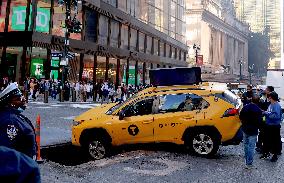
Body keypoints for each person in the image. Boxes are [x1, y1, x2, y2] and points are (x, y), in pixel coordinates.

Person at [0, 83, 37, 158]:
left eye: (22, 96)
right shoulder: (10, 120)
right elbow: (7, 151)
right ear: (9, 103)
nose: (23, 100)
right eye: (18, 99)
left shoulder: (16, 115)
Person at [239, 96, 263, 168]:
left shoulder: (245, 107)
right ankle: (249, 163)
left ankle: (247, 160)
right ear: (258, 101)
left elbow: (240, 117)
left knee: (246, 145)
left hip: (245, 128)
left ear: (251, 100)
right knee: (251, 147)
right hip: (253, 130)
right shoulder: (258, 110)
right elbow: (259, 121)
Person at [260, 91, 282, 162]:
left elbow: (276, 116)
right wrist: (265, 112)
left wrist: (266, 113)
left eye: (269, 96)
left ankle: (274, 156)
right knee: (266, 140)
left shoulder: (277, 105)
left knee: (274, 141)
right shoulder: (271, 104)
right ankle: (266, 153)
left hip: (274, 126)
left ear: (271, 97)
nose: (268, 97)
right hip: (268, 125)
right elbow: (270, 112)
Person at [256, 86, 274, 153]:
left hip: (267, 118)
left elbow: (269, 110)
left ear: (269, 91)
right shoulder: (264, 96)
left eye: (266, 90)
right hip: (263, 118)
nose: (264, 90)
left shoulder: (272, 99)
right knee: (262, 132)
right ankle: (259, 146)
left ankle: (265, 148)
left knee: (265, 133)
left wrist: (263, 111)